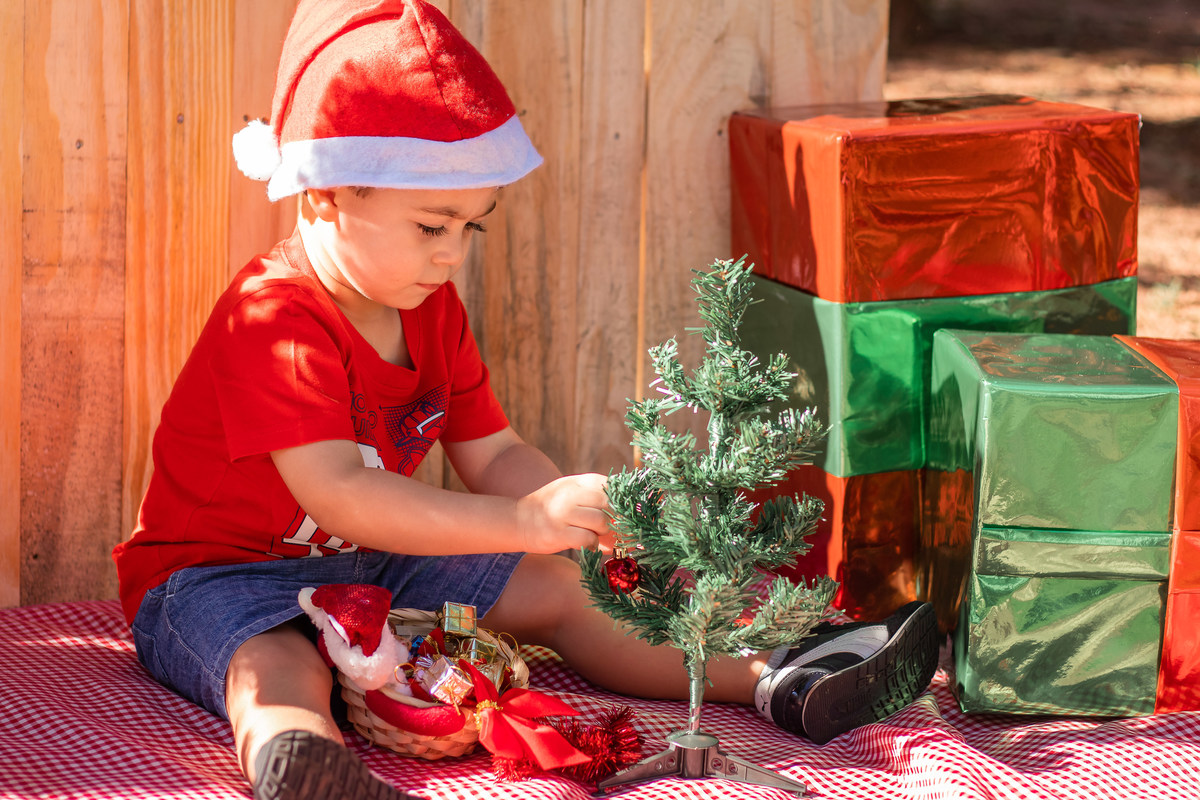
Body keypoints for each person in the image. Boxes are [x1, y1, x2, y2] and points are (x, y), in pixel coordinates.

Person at [111, 2, 940, 799]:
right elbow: (343, 494)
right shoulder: (277, 317)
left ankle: (783, 676)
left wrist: (574, 523)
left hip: (376, 560)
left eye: (472, 227)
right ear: (323, 194)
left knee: (563, 587)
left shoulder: (429, 310)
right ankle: (303, 762)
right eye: (431, 226)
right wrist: (522, 521)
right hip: (217, 576)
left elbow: (496, 457)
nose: (452, 257)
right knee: (275, 656)